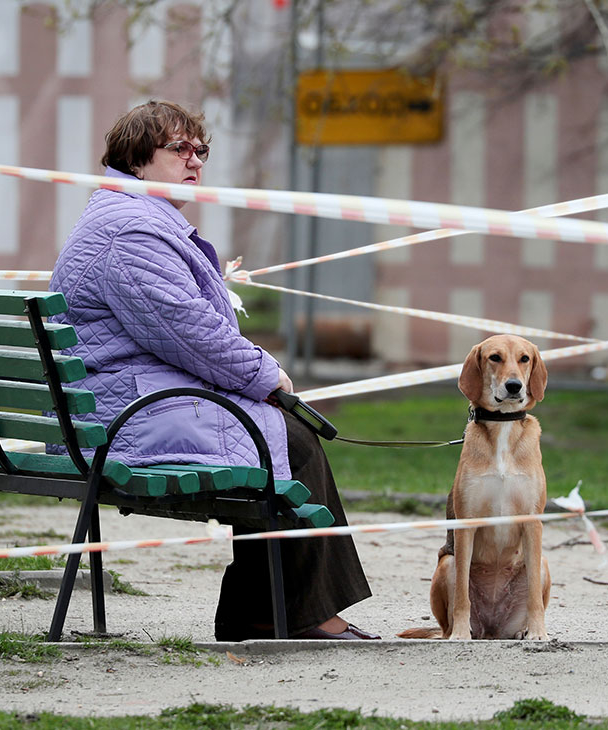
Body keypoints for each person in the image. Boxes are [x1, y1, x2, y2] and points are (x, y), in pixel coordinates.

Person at [49, 100, 377, 640]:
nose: (195, 160)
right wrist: (267, 376)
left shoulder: (127, 218)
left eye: (200, 150)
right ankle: (302, 615)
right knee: (290, 441)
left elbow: (180, 331)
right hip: (123, 420)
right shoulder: (130, 232)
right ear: (135, 160)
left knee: (277, 436)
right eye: (179, 149)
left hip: (118, 408)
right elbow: (190, 333)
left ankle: (265, 611)